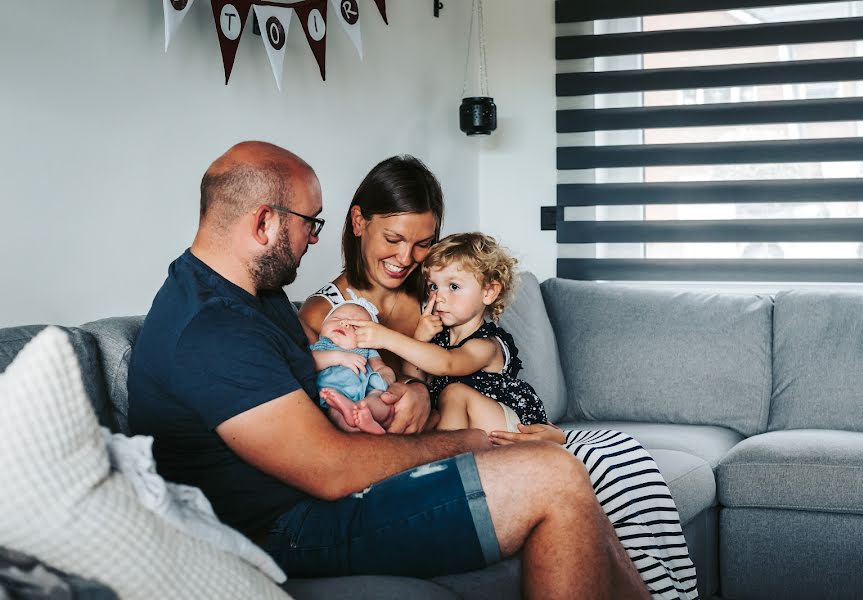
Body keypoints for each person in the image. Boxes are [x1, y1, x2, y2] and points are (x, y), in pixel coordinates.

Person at [129, 142, 649, 599]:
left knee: (564, 473)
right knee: (552, 476)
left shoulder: (253, 296)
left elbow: (331, 387)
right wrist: (470, 441)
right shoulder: (211, 329)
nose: (314, 239)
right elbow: (331, 470)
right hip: (293, 529)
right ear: (264, 222)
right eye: (309, 223)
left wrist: (395, 391)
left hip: (322, 497)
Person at [300, 156, 696, 600]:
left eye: (421, 246)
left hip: (487, 425)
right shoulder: (328, 313)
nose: (404, 259)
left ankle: (668, 589)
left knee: (621, 464)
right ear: (358, 222)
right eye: (393, 239)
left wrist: (416, 389)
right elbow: (327, 394)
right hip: (430, 446)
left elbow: (446, 369)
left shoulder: (434, 291)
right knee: (584, 475)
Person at [348, 232, 548, 434]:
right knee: (424, 408)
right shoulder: (440, 338)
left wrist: (386, 337)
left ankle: (442, 456)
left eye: (453, 286)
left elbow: (447, 363)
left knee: (454, 394)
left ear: (488, 292)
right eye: (433, 286)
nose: (439, 297)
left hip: (511, 425)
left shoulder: (488, 344)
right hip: (468, 426)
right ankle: (372, 423)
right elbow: (414, 379)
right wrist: (420, 337)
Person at [310, 297, 396, 434]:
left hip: (367, 389)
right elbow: (309, 363)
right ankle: (356, 423)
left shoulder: (367, 350)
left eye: (356, 326)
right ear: (322, 326)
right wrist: (338, 357)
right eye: (337, 318)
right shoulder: (320, 347)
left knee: (382, 402)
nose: (344, 324)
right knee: (335, 412)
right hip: (335, 393)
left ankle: (366, 417)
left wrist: (386, 377)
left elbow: (380, 367)